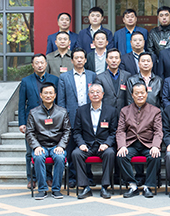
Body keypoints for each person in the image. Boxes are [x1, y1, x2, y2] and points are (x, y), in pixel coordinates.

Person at [57, 47, 97, 187]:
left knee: (87, 148)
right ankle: (72, 178)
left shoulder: (92, 75)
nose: (79, 60)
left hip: (89, 117)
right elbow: (61, 101)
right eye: (76, 58)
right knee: (72, 149)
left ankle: (88, 177)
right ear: (72, 60)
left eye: (82, 58)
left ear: (85, 60)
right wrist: (64, 118)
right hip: (71, 117)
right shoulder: (64, 77)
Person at [19, 55, 59, 189]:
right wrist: (22, 123)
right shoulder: (26, 81)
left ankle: (48, 177)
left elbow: (58, 102)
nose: (40, 65)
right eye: (37, 63)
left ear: (46, 63)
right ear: (33, 65)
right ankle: (32, 178)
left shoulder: (54, 79)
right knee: (30, 152)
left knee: (48, 148)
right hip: (31, 121)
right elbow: (21, 104)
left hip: (50, 121)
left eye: (42, 62)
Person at [72, 84, 118, 199]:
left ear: (103, 94)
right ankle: (85, 187)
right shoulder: (81, 110)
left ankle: (105, 187)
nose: (95, 94)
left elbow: (114, 132)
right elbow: (76, 131)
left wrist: (107, 144)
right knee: (76, 154)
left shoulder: (111, 111)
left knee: (110, 153)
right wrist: (81, 144)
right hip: (87, 145)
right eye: (92, 92)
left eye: (98, 92)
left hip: (103, 145)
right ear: (88, 95)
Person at [117, 83, 163, 198]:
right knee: (121, 156)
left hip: (148, 144)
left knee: (155, 156)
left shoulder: (155, 111)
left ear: (147, 94)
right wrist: (122, 146)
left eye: (142, 93)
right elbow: (120, 131)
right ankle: (133, 186)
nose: (140, 95)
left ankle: (148, 186)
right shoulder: (125, 110)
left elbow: (158, 131)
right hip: (131, 144)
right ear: (132, 95)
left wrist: (155, 146)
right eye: (137, 93)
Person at [26, 82, 70, 200]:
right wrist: (36, 146)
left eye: (51, 93)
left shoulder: (62, 112)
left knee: (60, 157)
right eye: (45, 93)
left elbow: (67, 131)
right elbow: (29, 132)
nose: (48, 95)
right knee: (38, 157)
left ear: (55, 95)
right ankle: (42, 189)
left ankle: (56, 189)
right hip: (41, 145)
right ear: (41, 95)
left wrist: (61, 146)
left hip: (57, 145)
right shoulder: (33, 113)